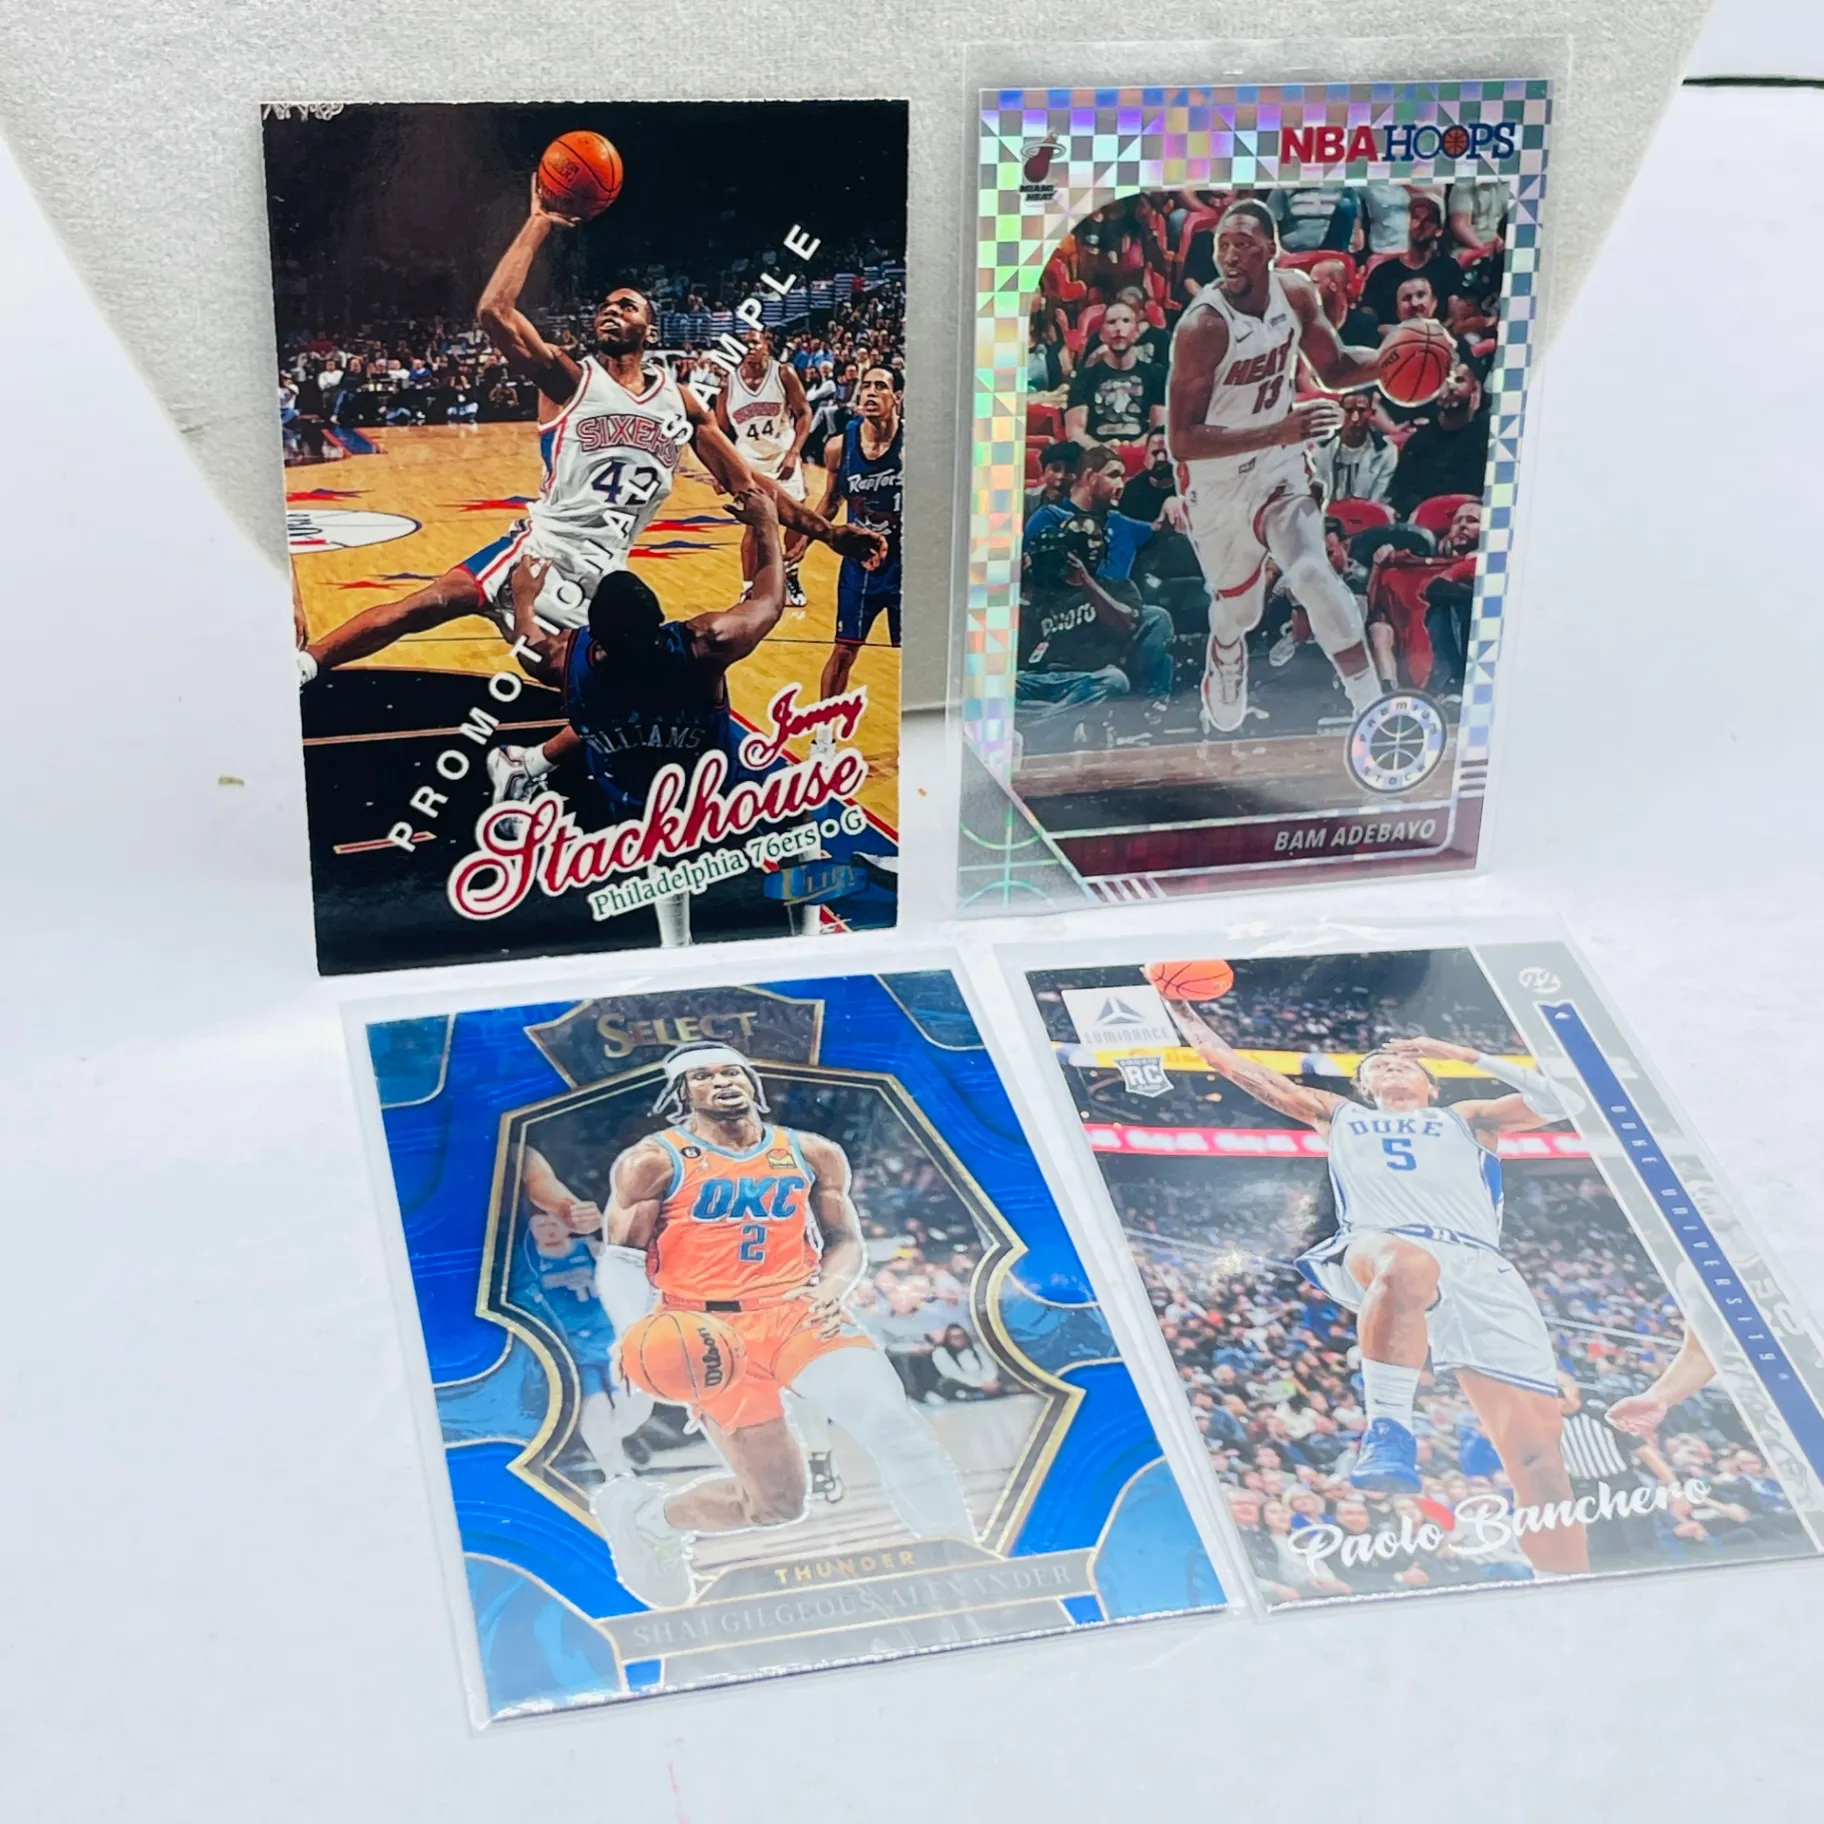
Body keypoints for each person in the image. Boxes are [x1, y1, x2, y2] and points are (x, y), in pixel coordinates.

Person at [296, 178, 882, 682]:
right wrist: (539, 222)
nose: (611, 310)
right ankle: (304, 666)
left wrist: (828, 534)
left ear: (650, 329)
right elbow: (494, 313)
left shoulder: (680, 402)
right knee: (423, 606)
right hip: (539, 548)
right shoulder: (569, 378)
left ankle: (545, 763)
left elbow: (751, 485)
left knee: (603, 693)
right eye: (606, 305)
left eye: (627, 306)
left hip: (603, 576)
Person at [1145, 971, 1592, 1578]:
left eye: (1404, 1062)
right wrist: (1180, 1008)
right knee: (1404, 1263)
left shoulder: (1468, 1117)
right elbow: (1232, 1065)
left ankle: (1567, 1583)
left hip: (1481, 1268)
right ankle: (1388, 1429)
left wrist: (1465, 1053)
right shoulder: (1341, 1116)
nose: (1391, 1065)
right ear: (1363, 1086)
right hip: (1377, 1244)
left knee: (1540, 1464)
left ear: (1432, 1084)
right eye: (1376, 1065)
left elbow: (1569, 1100)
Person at [590, 1043, 975, 1607]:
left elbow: (845, 1242)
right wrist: (633, 1334)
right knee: (775, 1505)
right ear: (681, 1094)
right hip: (705, 1329)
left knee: (894, 1423)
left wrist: (831, 1288)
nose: (722, 1082)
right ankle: (649, 1517)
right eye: (703, 1076)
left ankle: (964, 1562)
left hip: (797, 1310)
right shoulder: (652, 1160)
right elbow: (622, 1259)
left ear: (752, 1081)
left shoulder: (812, 1152)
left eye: (732, 1071)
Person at [483, 490, 785, 948]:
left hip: (630, 798)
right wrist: (766, 524)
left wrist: (525, 597)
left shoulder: (560, 659)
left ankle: (676, 943)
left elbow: (527, 639)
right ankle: (810, 930)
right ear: (661, 620)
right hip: (709, 787)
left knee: (609, 721)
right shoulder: (707, 644)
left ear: (594, 634)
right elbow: (770, 600)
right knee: (798, 817)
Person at [1164, 199, 1385, 733]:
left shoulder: (1296, 293)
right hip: (1216, 478)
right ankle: (1225, 648)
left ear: (1270, 248)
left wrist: (1393, 362)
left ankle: (1372, 710)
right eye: (1222, 246)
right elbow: (1182, 441)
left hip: (1278, 463)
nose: (1229, 256)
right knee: (1241, 612)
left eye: (1242, 245)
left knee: (1311, 571)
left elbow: (1334, 368)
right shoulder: (1203, 327)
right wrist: (1278, 430)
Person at [516, 1146, 657, 1474]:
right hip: (572, 1354)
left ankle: (623, 1438)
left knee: (635, 1410)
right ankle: (617, 1475)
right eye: (540, 1223)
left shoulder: (593, 1250)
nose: (549, 1228)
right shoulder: (527, 1264)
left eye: (554, 1220)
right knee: (594, 1417)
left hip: (612, 1344)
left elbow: (630, 1279)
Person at [1016, 523, 1173, 728]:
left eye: (1098, 539)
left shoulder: (1118, 587)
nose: (1093, 546)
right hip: (1041, 679)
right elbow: (1022, 647)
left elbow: (1126, 624)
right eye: (1084, 539)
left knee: (1115, 681)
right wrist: (1020, 584)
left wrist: (1086, 581)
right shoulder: (1044, 596)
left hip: (1087, 678)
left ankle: (1040, 726)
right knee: (997, 687)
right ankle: (1064, 721)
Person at [813, 364, 902, 702]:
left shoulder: (915, 445)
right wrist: (803, 541)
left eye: (881, 386)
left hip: (907, 566)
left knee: (920, 655)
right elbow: (831, 500)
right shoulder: (839, 446)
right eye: (866, 386)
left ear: (897, 397)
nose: (871, 393)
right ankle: (823, 727)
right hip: (860, 565)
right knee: (843, 650)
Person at [714, 328, 814, 607]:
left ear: (766, 346)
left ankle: (791, 575)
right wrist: (719, 470)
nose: (749, 348)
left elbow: (804, 412)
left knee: (796, 520)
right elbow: (719, 432)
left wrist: (794, 452)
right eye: (744, 344)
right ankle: (749, 588)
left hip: (783, 457)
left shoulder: (783, 374)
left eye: (754, 343)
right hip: (749, 463)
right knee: (754, 525)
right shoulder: (729, 384)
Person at [1363, 499, 1480, 691]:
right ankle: (1389, 692)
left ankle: (1453, 684)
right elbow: (1370, 609)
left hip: (1459, 663)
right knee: (1379, 629)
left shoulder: (1485, 568)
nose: (1462, 526)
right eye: (1457, 521)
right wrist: (1378, 566)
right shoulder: (1401, 567)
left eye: (1472, 520)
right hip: (1407, 660)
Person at [1388, 364, 1490, 518]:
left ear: (1475, 389)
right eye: (1444, 381)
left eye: (1459, 380)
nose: (1451, 386)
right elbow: (1400, 494)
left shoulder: (1487, 437)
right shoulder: (1418, 441)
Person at [1064, 299, 1165, 447]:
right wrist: (1103, 449)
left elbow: (1159, 429)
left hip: (1142, 453)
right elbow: (1075, 432)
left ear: (1137, 332)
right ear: (1102, 334)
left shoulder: (1156, 375)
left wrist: (1131, 449)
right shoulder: (1085, 377)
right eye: (1112, 322)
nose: (1119, 328)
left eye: (1126, 321)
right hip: (1095, 454)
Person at [1360, 192, 1461, 329]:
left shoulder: (1448, 268)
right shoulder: (1383, 272)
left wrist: (1432, 334)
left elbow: (1455, 315)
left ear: (1438, 231)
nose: (1420, 224)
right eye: (1415, 218)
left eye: (1428, 220)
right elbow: (1367, 317)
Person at [1313, 389, 1395, 506]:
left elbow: (1378, 498)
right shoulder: (1319, 449)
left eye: (1361, 411)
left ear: (1371, 413)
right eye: (1349, 411)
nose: (1355, 418)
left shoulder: (1386, 452)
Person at [930, 1324, 1003, 1400]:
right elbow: (955, 1374)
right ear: (948, 1339)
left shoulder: (977, 1348)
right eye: (954, 1337)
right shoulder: (941, 1353)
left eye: (961, 1336)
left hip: (986, 1382)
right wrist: (980, 1385)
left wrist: (990, 1382)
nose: (959, 1339)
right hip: (961, 1384)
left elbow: (990, 1366)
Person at [1024, 440, 1081, 519]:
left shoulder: (1084, 504)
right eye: (1056, 469)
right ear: (1043, 470)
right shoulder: (1027, 498)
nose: (1061, 476)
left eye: (1070, 470)